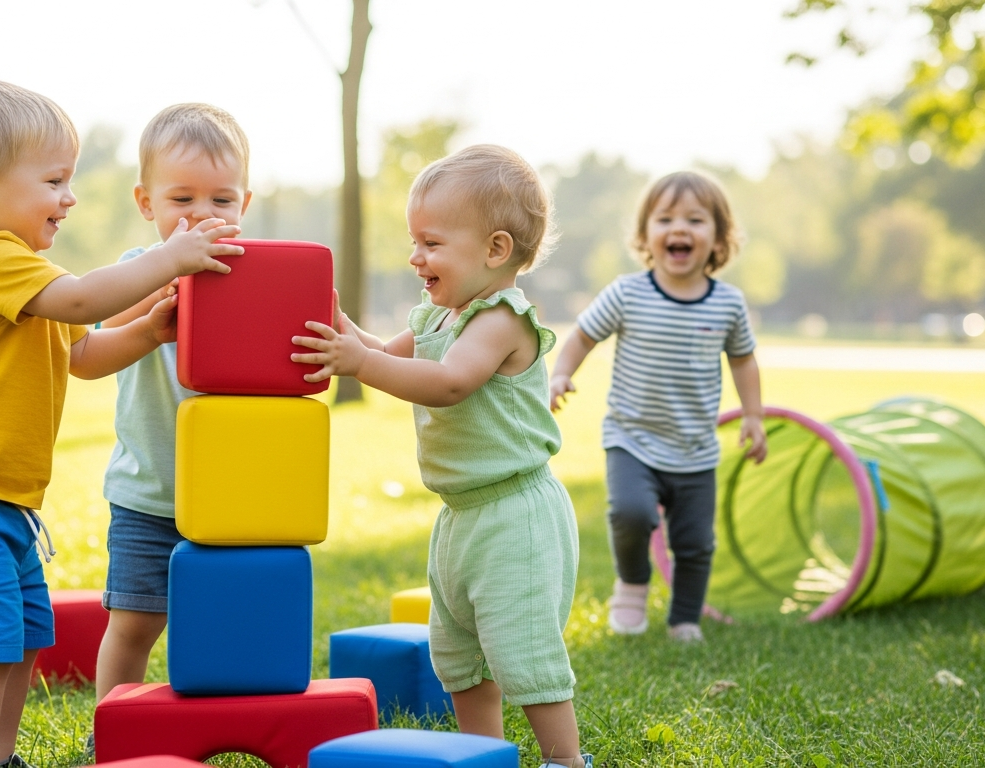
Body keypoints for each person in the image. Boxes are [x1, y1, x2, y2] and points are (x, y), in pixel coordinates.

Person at [0, 80, 242, 768]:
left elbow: (79, 354)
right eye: (53, 180)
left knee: (20, 638)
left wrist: (149, 330)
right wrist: (169, 259)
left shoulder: (25, 272)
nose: (69, 197)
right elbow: (80, 304)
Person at [292, 145, 588, 767]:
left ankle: (566, 760)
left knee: (522, 651)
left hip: (515, 514)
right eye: (413, 241)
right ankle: (484, 756)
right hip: (461, 515)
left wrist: (362, 364)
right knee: (458, 654)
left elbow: (450, 381)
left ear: (495, 250)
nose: (415, 257)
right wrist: (341, 326)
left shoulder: (503, 319)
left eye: (431, 243)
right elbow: (389, 353)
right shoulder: (438, 314)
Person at [87, 104, 252, 753]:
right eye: (181, 198)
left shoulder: (253, 270)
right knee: (133, 624)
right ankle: (112, 737)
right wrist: (166, 273)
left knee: (230, 627)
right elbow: (103, 324)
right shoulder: (139, 266)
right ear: (145, 201)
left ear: (245, 200)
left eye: (221, 197)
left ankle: (225, 730)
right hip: (149, 494)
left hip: (234, 500)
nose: (201, 213)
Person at [548, 170, 767, 644]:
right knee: (629, 513)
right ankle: (631, 584)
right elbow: (583, 335)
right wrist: (562, 372)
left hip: (695, 448)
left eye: (695, 219)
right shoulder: (628, 293)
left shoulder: (727, 304)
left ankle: (685, 619)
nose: (679, 229)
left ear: (719, 237)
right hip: (632, 438)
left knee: (694, 543)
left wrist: (753, 415)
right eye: (665, 218)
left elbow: (744, 360)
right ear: (646, 234)